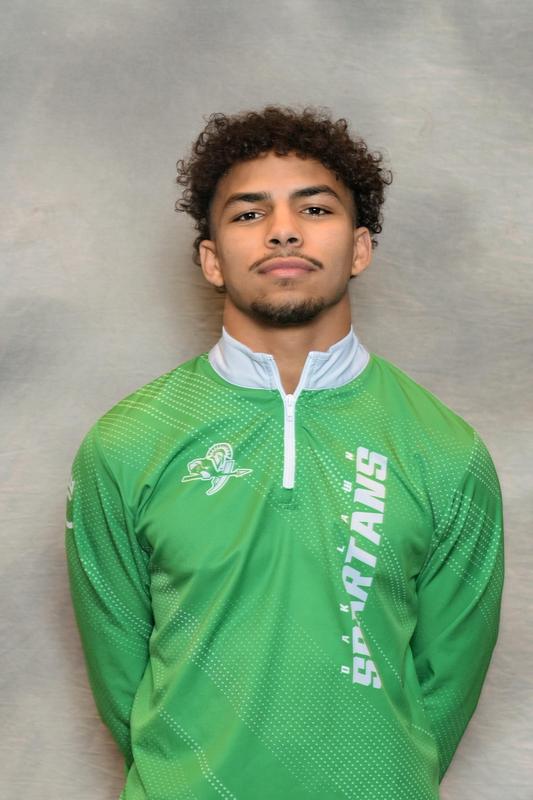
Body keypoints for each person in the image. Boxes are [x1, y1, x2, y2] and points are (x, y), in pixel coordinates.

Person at [65, 105, 504, 800]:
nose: (283, 230)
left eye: (314, 208)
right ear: (211, 260)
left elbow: (445, 686)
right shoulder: (126, 443)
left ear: (359, 248)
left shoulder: (445, 451)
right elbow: (121, 674)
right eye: (247, 214)